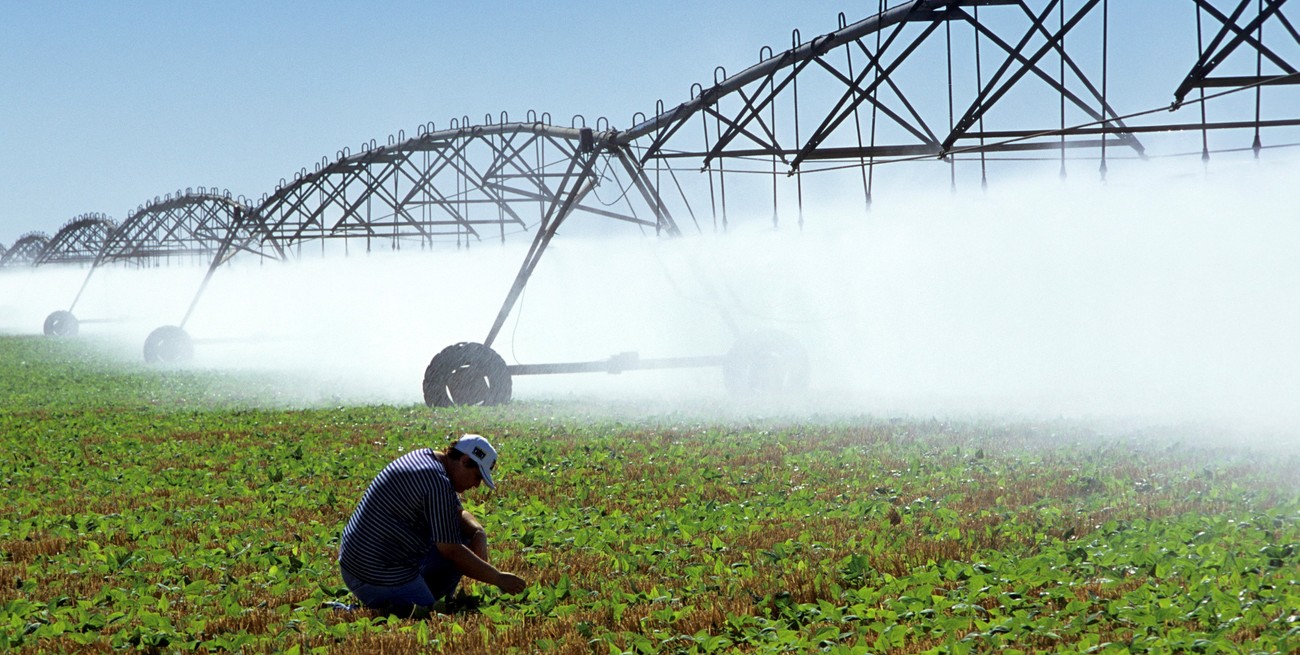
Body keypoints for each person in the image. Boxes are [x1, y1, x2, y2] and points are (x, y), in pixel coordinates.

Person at [338, 434, 527, 614]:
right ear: (464, 461)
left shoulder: (428, 460)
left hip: (361, 561)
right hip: (372, 572)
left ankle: (421, 595)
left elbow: (456, 513)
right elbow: (451, 549)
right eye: (477, 476)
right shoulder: (436, 482)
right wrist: (497, 578)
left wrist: (479, 532)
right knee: (425, 614)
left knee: (465, 536)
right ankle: (357, 609)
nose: (477, 485)